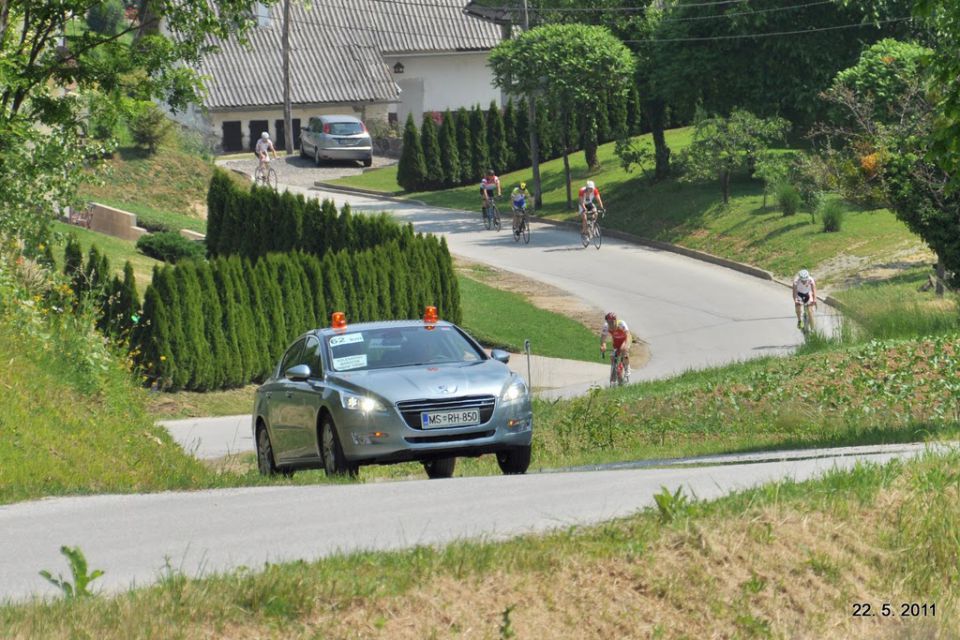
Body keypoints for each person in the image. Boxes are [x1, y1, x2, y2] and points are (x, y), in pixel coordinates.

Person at [599, 311, 631, 382]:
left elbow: (628, 335)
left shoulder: (621, 323)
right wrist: (603, 345)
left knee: (623, 349)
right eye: (608, 322)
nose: (610, 324)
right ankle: (615, 372)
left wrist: (626, 346)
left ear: (615, 320)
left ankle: (627, 367)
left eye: (611, 322)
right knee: (612, 356)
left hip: (625, 339)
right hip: (616, 340)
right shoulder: (606, 326)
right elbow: (603, 338)